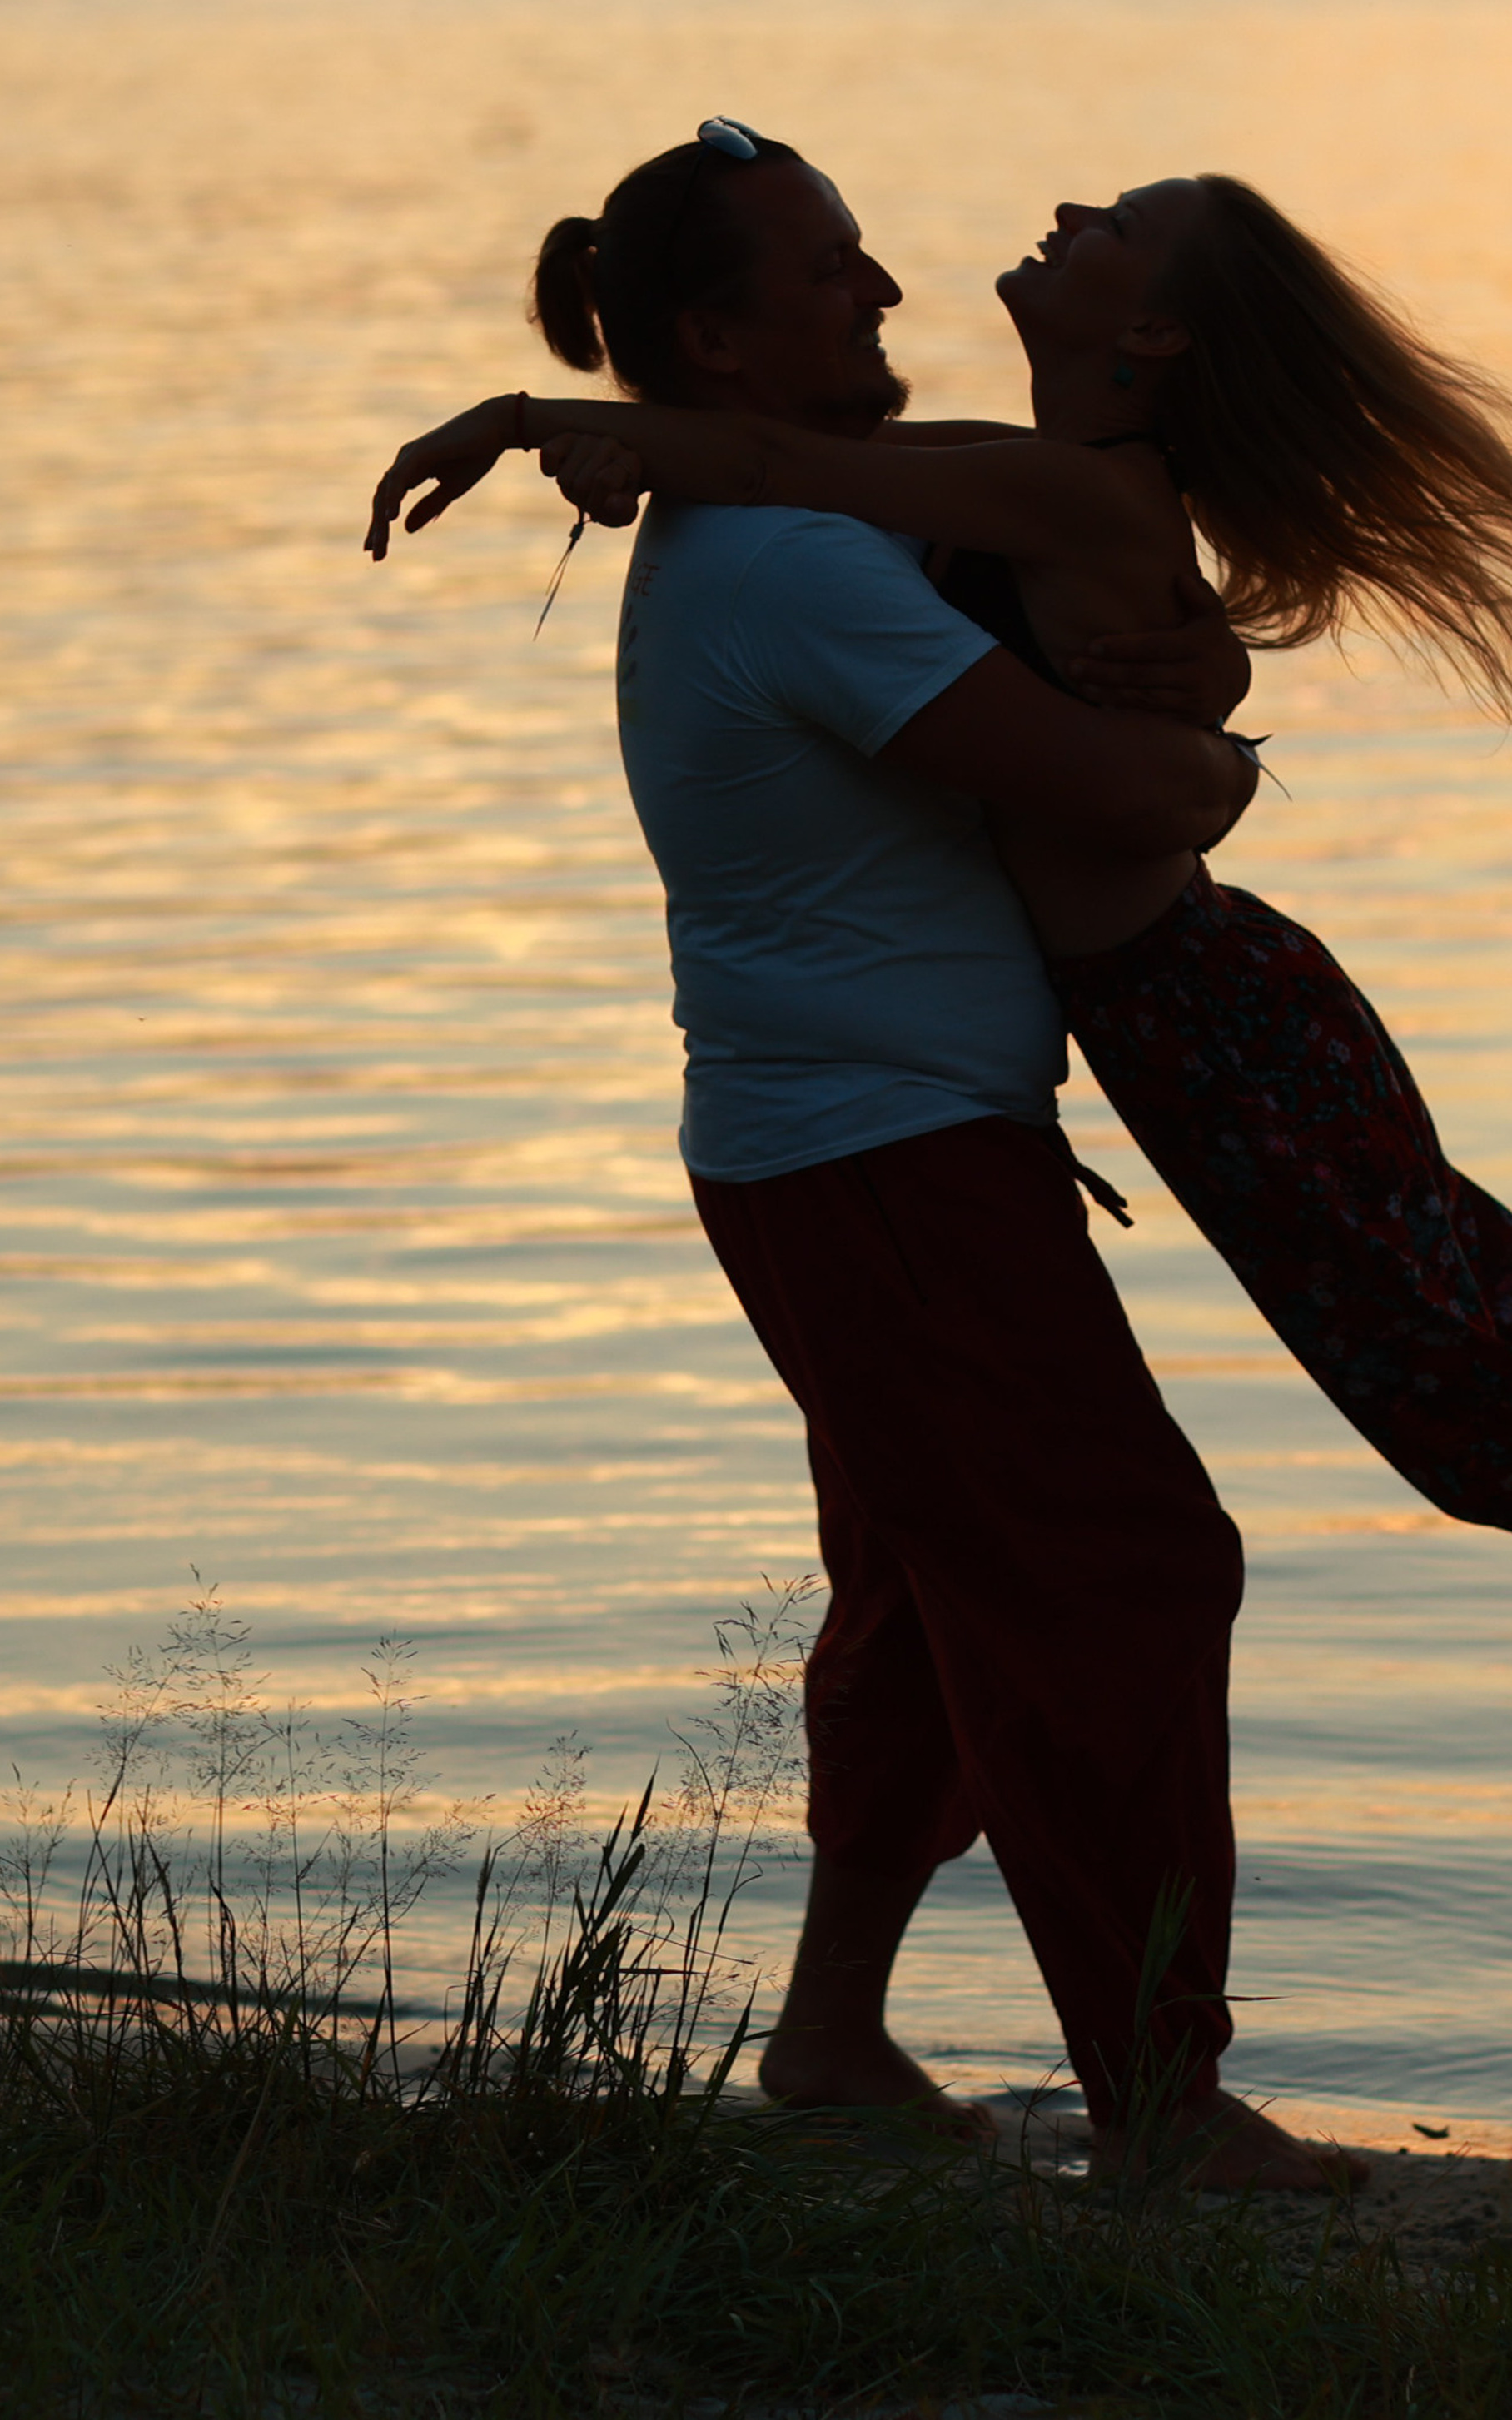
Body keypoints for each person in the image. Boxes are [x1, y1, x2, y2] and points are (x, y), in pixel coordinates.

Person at [366, 122, 1359, 2191]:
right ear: (721, 341)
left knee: (926, 1597)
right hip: (883, 1171)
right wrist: (1208, 747)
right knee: (1123, 1577)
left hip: (857, 1156)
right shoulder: (797, 567)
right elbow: (1108, 791)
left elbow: (1078, 581)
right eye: (829, 275)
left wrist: (1216, 666)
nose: (885, 291)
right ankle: (1160, 2113)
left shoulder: (823, 524)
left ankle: (828, 2042)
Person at [371, 148, 1512, 1540]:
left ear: (1152, 332)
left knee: (1459, 1382)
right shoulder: (1012, 478)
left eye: (1124, 226)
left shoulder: (1068, 493)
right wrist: (615, 439)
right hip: (1171, 1008)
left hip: (1212, 1011)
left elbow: (782, 458)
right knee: (1447, 1330)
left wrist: (516, 415)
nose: (1079, 211)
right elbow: (785, 463)